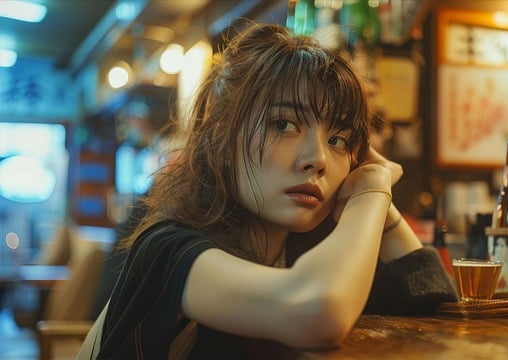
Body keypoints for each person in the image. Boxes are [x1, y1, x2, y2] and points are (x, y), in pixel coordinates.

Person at [79, 23, 457, 359]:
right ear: (223, 141)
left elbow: (430, 300)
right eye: (284, 123)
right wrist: (373, 192)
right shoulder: (167, 249)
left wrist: (381, 202)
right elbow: (315, 311)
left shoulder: (296, 255)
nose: (318, 159)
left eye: (339, 138)